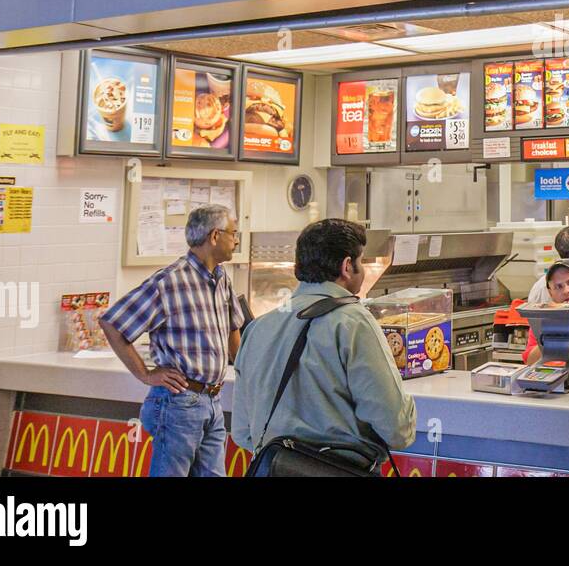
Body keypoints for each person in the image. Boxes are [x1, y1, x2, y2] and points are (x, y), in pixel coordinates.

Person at [231, 219, 416, 471]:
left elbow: (243, 432)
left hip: (276, 468)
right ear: (347, 266)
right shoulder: (353, 322)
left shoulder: (257, 329)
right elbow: (395, 427)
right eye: (361, 261)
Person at [100, 204, 245, 477]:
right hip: (179, 404)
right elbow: (112, 323)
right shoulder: (169, 282)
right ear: (215, 236)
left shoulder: (222, 278)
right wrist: (145, 375)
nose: (236, 240)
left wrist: (248, 371)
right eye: (233, 233)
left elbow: (232, 328)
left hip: (212, 399)